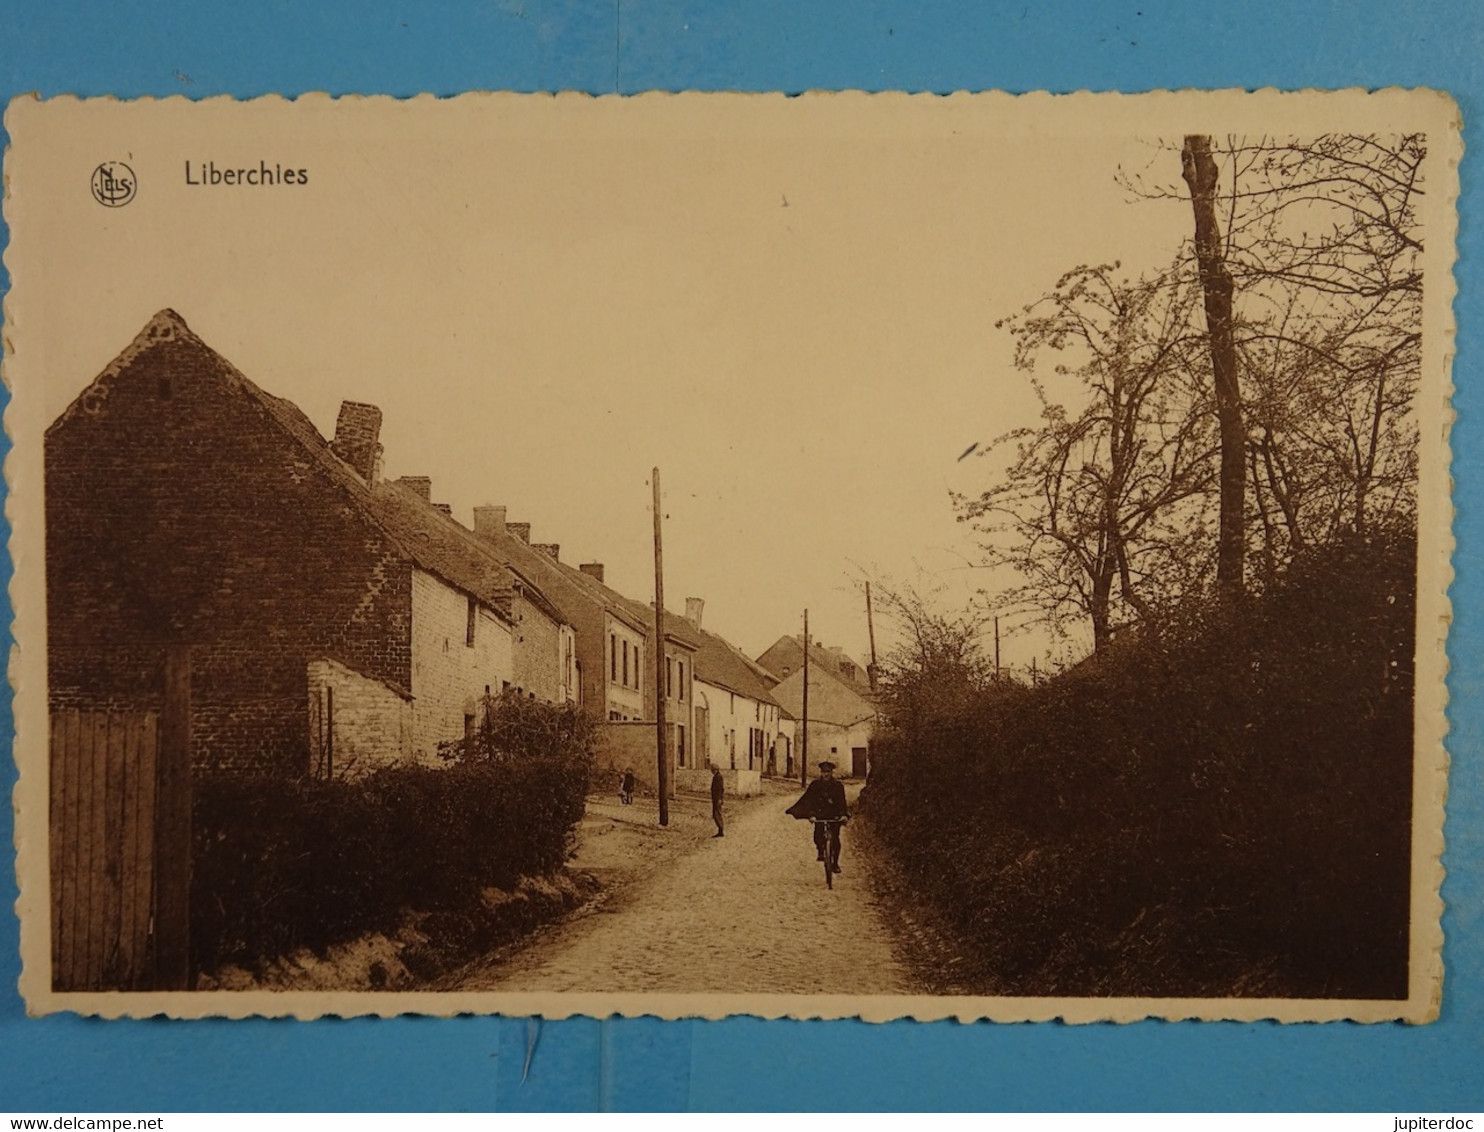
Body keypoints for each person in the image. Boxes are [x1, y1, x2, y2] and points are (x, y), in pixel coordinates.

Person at [786, 761, 849, 872]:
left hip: (834, 815)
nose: (826, 774)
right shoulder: (815, 785)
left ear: (831, 773)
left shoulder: (838, 786)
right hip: (819, 814)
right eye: (824, 772)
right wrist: (811, 815)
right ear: (821, 772)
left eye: (828, 772)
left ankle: (835, 864)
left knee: (835, 839)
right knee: (817, 836)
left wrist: (843, 815)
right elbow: (809, 801)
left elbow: (842, 802)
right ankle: (820, 851)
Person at [710, 764, 726, 837]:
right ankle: (720, 830)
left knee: (717, 814)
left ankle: (720, 831)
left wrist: (720, 799)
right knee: (716, 814)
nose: (712, 771)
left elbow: (720, 789)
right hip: (716, 798)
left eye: (713, 770)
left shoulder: (718, 777)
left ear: (716, 770)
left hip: (717, 799)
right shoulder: (716, 777)